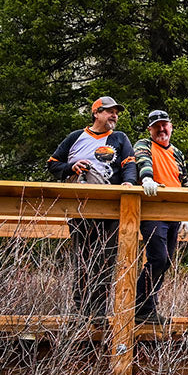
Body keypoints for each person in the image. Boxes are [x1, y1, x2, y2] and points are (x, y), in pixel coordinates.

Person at [48, 95, 138, 317]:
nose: (114, 115)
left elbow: (129, 163)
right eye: (109, 111)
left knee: (106, 258)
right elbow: (52, 164)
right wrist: (71, 166)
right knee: (82, 258)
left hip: (111, 208)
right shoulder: (76, 137)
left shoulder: (119, 138)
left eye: (116, 112)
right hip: (80, 207)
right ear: (96, 113)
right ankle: (81, 311)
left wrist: (129, 182)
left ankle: (98, 312)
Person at [132, 109, 188, 324]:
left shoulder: (177, 153)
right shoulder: (144, 144)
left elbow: (184, 183)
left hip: (174, 212)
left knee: (165, 262)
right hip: (153, 211)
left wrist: (187, 215)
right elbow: (143, 161)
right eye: (157, 126)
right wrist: (147, 178)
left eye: (165, 125)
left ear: (171, 127)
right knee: (158, 258)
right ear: (150, 129)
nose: (162, 129)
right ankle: (141, 307)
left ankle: (148, 308)